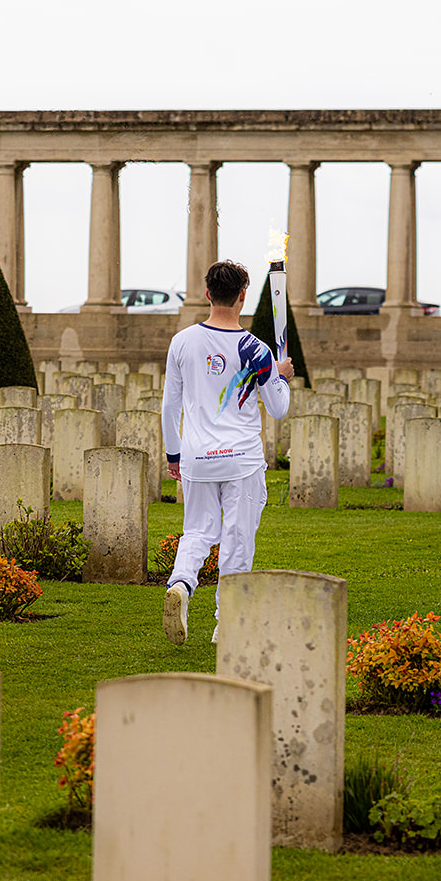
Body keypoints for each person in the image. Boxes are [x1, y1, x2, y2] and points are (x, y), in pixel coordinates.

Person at [161, 260, 294, 643]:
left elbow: (170, 405)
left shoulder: (182, 341)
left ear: (208, 294)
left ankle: (181, 584)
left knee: (197, 531)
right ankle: (228, 622)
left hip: (196, 457)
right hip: (242, 460)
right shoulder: (256, 349)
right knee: (238, 538)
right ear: (242, 297)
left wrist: (174, 455)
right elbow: (278, 408)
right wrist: (281, 377)